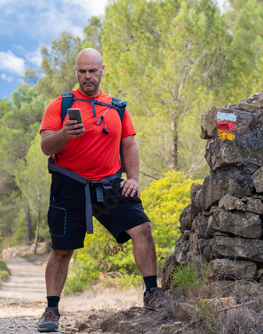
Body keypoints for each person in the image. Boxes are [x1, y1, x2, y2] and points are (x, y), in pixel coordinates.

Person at [37, 48, 173, 332]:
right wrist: (64, 134)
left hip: (111, 184)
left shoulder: (118, 107)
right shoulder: (59, 105)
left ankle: (152, 292)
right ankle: (51, 310)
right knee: (62, 250)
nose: (87, 76)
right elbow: (45, 146)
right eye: (82, 71)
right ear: (76, 72)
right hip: (68, 184)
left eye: (92, 71)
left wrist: (133, 178)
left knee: (142, 229)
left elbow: (130, 145)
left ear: (102, 71)